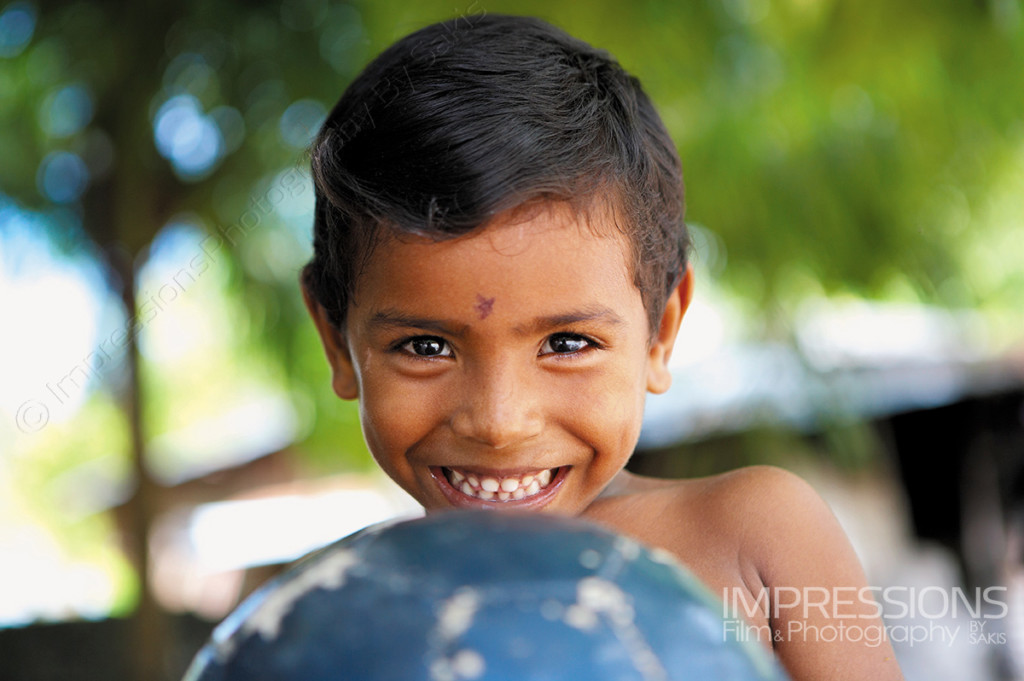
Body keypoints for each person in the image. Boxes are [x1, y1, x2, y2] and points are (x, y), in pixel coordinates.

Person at [300, 13, 903, 681]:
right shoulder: (342, 611)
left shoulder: (754, 536)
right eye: (425, 345)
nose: (500, 422)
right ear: (335, 337)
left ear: (660, 330)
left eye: (566, 341)